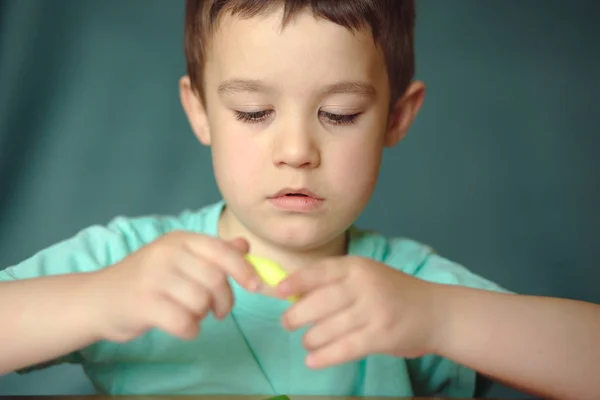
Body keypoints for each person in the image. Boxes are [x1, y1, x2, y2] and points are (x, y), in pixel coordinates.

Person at [0, 1, 598, 399]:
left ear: (396, 117)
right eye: (254, 112)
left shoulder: (403, 287)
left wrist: (441, 318)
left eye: (339, 114)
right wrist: (97, 298)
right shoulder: (132, 263)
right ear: (199, 111)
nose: (295, 150)